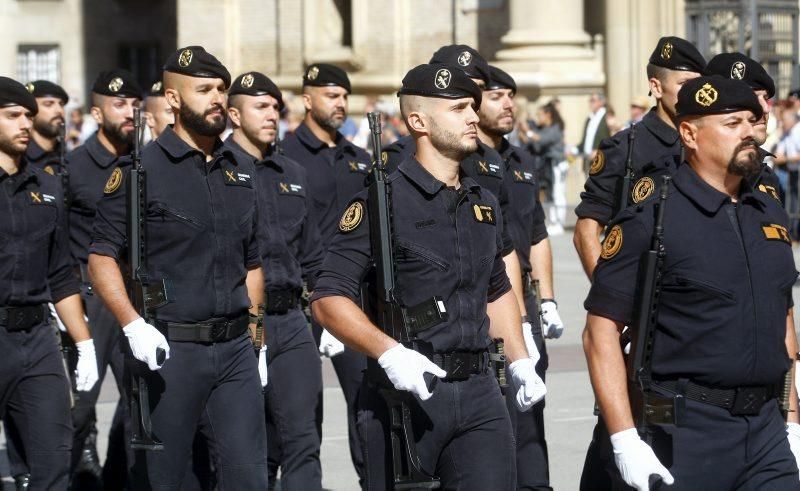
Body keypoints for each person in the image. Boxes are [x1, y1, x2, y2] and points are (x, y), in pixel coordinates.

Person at [311, 62, 546, 490]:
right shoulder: (382, 201)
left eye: (473, 107)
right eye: (458, 108)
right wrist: (388, 352)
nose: (474, 117)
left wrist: (521, 361)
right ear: (418, 121)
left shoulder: (483, 202)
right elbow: (328, 297)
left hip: (481, 392)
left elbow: (495, 291)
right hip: (406, 395)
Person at [583, 75, 800, 490]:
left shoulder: (768, 213)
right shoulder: (654, 216)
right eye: (732, 123)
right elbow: (600, 332)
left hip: (767, 433)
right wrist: (625, 439)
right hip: (687, 432)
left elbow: (783, 322)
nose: (748, 133)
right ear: (690, 133)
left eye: (752, 122)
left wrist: (792, 420)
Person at [88, 45, 268, 488]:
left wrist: (256, 338)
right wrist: (132, 326)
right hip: (169, 348)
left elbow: (253, 263)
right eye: (203, 89)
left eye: (222, 89)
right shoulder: (139, 170)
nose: (217, 99)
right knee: (164, 478)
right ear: (172, 99)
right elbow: (101, 257)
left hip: (234, 352)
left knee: (249, 478)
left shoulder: (241, 168)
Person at [224, 70, 324, 490]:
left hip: (291, 321)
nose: (272, 115)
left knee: (303, 438)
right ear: (233, 114)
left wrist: (326, 312)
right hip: (237, 324)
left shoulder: (293, 172)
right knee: (251, 448)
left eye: (275, 108)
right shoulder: (217, 171)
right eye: (260, 107)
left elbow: (314, 254)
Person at [0, 76, 98, 490]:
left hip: (38, 338)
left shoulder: (47, 186)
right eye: (12, 116)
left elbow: (61, 274)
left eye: (28, 115)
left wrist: (85, 344)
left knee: (54, 457)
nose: (25, 123)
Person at [280, 62, 369, 482]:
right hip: (299, 304)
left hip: (351, 302)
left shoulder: (360, 159)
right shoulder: (283, 157)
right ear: (307, 98)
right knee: (300, 414)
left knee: (366, 406)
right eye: (331, 95)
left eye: (344, 96)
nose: (340, 104)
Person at [477, 65, 561, 490]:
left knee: (531, 417)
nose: (508, 103)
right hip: (488, 305)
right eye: (496, 96)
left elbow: (537, 233)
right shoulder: (467, 160)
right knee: (497, 419)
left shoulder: (521, 159)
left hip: (525, 304)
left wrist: (546, 301)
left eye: (510, 95)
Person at [62, 68, 143, 487]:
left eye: (133, 103)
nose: (129, 112)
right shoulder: (73, 168)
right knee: (78, 408)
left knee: (139, 406)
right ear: (96, 112)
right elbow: (54, 241)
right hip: (90, 300)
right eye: (118, 105)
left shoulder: (145, 163)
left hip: (134, 300)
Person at [574, 36, 706, 279]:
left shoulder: (708, 141)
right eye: (684, 84)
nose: (694, 93)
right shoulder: (624, 147)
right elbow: (586, 232)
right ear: (656, 87)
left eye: (699, 85)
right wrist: (609, 300)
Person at [706, 52, 781, 191]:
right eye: (752, 98)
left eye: (765, 98)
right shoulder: (681, 171)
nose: (765, 108)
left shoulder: (767, 178)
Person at [23, 80, 69, 175]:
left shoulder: (70, 157)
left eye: (61, 104)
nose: (59, 110)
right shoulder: (19, 160)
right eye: (48, 104)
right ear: (30, 112)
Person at [578, 93, 610, 173]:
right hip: (588, 162)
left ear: (601, 102)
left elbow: (612, 138)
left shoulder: (607, 116)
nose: (590, 103)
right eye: (589, 100)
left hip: (601, 162)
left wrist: (599, 151)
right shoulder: (589, 118)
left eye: (593, 100)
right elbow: (585, 141)